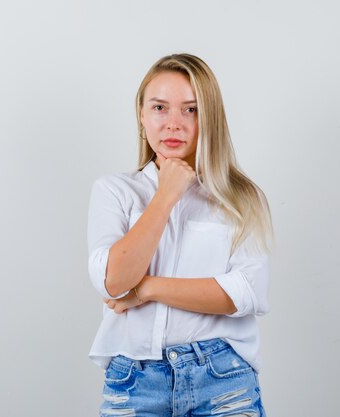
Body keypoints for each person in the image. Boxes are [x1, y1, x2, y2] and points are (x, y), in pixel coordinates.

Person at [86, 53, 275, 417]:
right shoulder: (114, 191)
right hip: (135, 382)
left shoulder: (241, 198)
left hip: (222, 379)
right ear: (142, 115)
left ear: (210, 120)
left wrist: (146, 289)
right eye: (160, 107)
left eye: (191, 110)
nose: (174, 123)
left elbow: (248, 293)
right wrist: (168, 193)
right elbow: (113, 282)